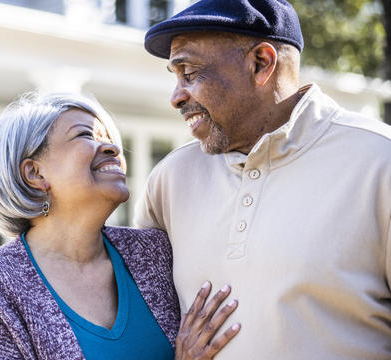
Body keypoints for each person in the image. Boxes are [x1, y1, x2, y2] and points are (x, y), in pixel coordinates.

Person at [137, 0, 391, 359]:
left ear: (261, 63)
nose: (176, 96)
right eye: (174, 77)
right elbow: (143, 331)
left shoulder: (380, 161)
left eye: (189, 72)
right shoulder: (169, 180)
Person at [0, 92, 241, 360]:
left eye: (110, 137)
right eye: (86, 135)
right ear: (34, 173)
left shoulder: (154, 253)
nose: (113, 147)